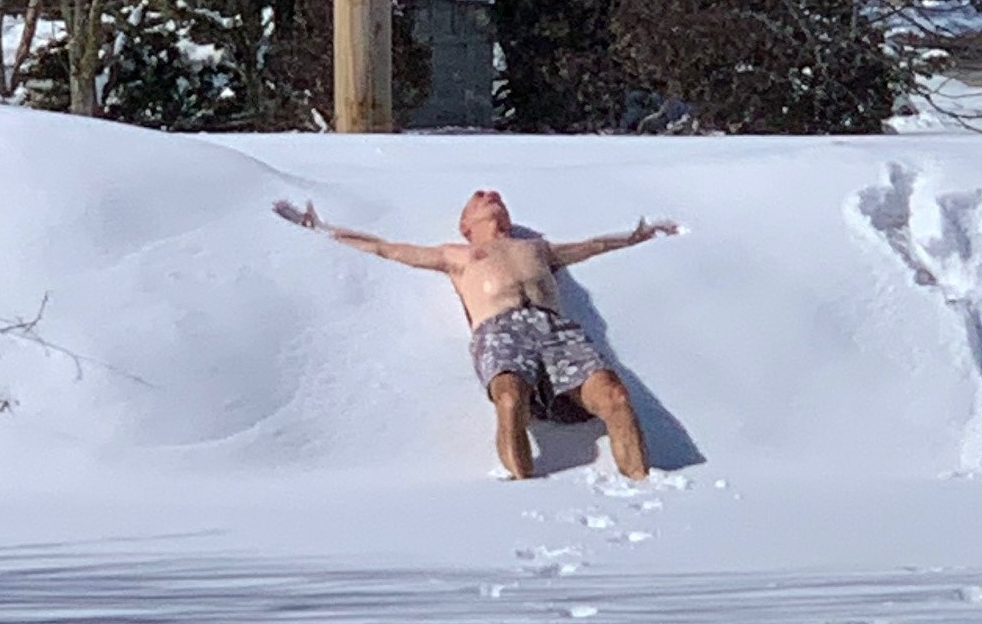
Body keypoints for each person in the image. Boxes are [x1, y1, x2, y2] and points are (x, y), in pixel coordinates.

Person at [273, 191, 680, 480]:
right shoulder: (456, 255)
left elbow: (593, 246)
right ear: (465, 225)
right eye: (479, 197)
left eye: (494, 195)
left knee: (616, 397)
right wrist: (321, 228)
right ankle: (526, 490)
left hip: (556, 329)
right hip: (499, 329)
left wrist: (641, 235)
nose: (489, 194)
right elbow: (386, 248)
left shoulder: (537, 248)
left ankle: (644, 488)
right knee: (510, 398)